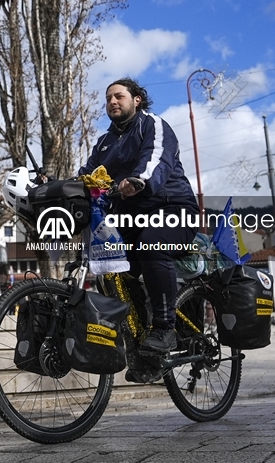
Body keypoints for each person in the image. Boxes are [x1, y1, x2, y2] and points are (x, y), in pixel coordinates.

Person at [79, 78, 199, 354]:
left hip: (173, 208)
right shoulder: (105, 142)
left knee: (151, 245)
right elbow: (86, 176)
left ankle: (165, 329)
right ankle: (139, 336)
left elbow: (156, 159)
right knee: (113, 266)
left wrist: (139, 180)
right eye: (108, 98)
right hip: (131, 216)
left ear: (137, 100)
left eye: (119, 96)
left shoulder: (152, 125)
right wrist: (56, 187)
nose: (112, 102)